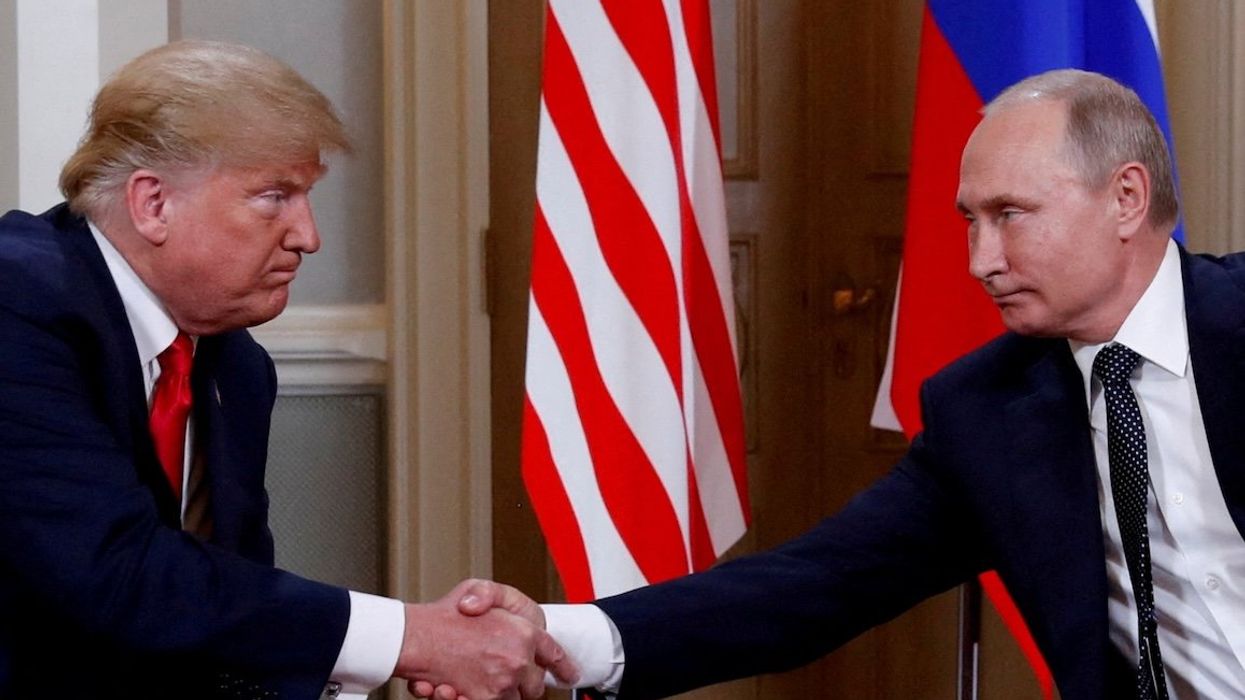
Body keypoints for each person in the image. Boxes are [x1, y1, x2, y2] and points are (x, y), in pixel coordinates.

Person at [435, 69, 1245, 700]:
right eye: (970, 220)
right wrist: (561, 635)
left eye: (1010, 214)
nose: (979, 261)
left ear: (1125, 199)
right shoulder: (987, 414)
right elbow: (816, 584)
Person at [0, 40, 575, 700]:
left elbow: (221, 625)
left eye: (306, 196)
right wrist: (411, 638)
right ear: (152, 203)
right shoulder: (17, 301)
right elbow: (117, 572)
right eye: (274, 196)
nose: (308, 235)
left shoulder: (235, 368)